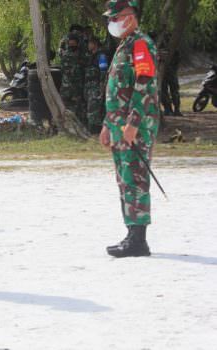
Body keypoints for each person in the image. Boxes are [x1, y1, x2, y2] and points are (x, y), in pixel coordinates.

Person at [100, 0, 160, 258]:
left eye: (115, 18)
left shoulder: (140, 44)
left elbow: (144, 85)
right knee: (125, 178)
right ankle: (131, 234)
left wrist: (133, 124)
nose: (111, 23)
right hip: (118, 126)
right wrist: (107, 125)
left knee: (135, 178)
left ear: (129, 17)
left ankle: (138, 240)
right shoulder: (124, 45)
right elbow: (116, 91)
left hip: (135, 127)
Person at [60, 32, 86, 123]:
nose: (71, 45)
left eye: (73, 44)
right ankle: (66, 124)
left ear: (77, 44)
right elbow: (63, 68)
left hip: (76, 87)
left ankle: (78, 124)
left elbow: (83, 68)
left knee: (77, 107)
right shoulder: (65, 54)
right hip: (65, 87)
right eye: (70, 44)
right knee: (65, 106)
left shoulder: (82, 55)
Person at [84, 37, 106, 133]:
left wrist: (101, 86)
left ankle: (96, 130)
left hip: (96, 86)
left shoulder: (101, 56)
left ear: (95, 44)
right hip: (89, 86)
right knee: (90, 108)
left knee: (94, 109)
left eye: (90, 43)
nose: (88, 45)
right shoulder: (90, 56)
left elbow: (103, 72)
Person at [160, 34, 182, 116]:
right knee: (165, 92)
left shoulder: (174, 50)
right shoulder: (161, 48)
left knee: (173, 91)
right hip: (165, 73)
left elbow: (178, 60)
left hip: (171, 73)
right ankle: (168, 109)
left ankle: (175, 109)